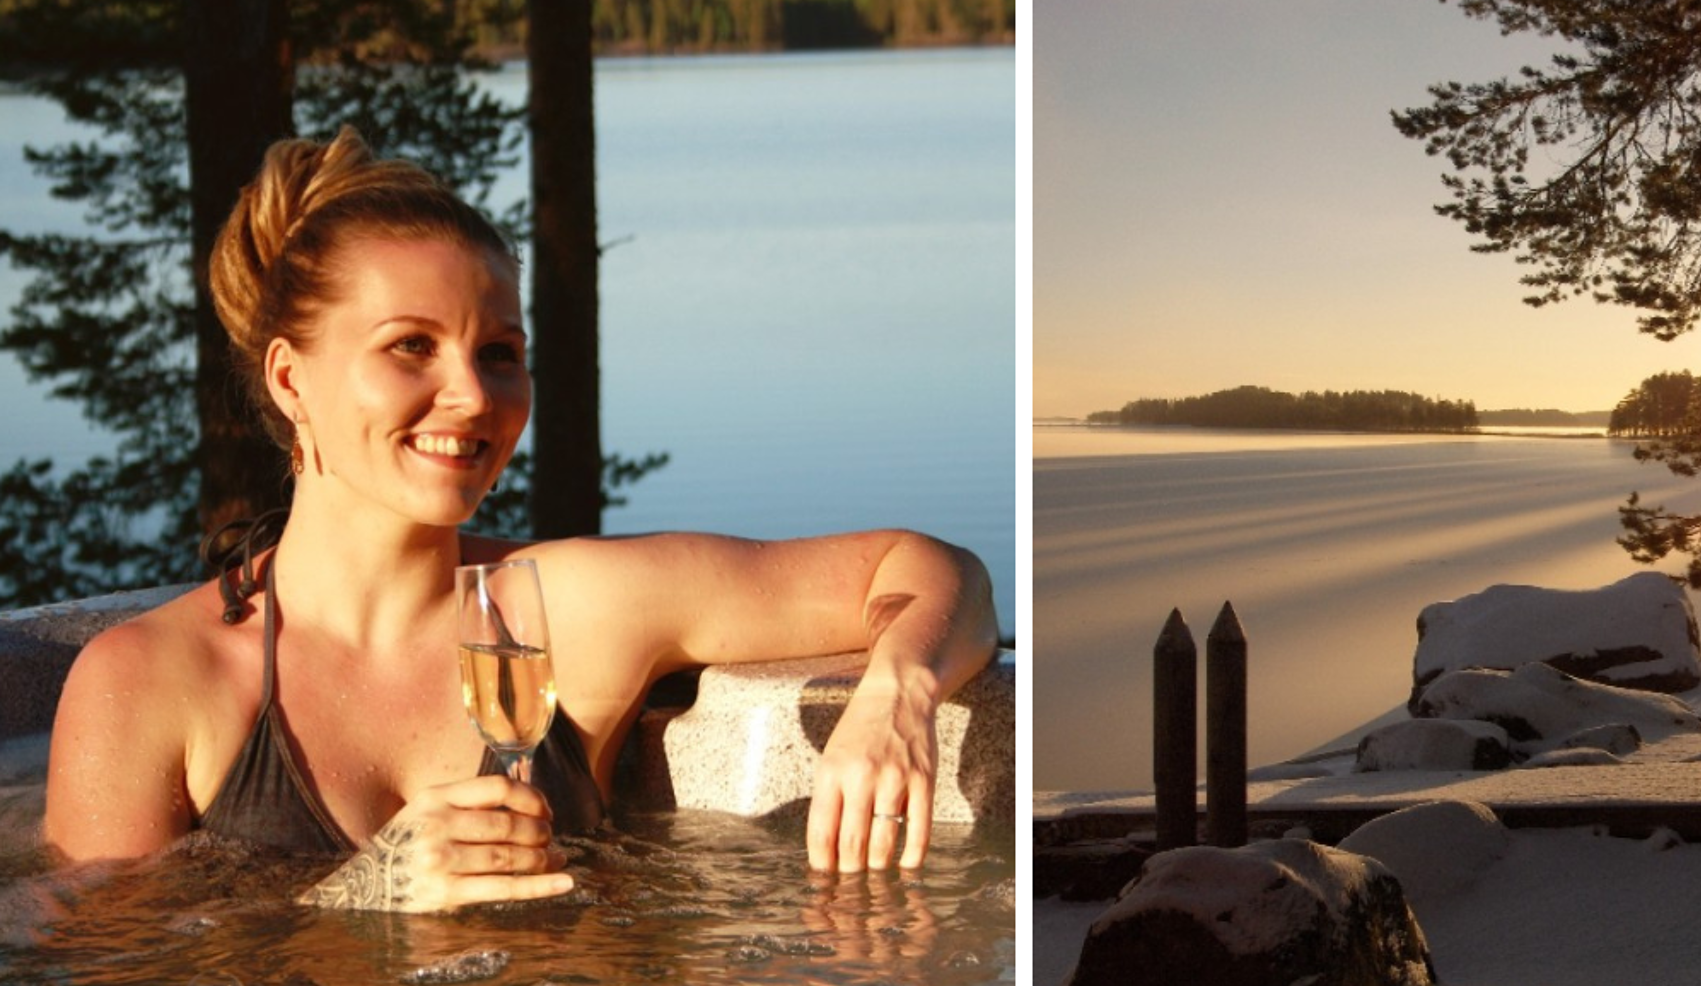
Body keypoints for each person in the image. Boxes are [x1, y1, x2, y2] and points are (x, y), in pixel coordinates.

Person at [40, 127, 999, 913]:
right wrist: (365, 901)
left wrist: (898, 695)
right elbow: (101, 956)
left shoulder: (574, 610)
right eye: (411, 346)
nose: (471, 395)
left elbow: (923, 566)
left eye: (500, 353)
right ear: (292, 379)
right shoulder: (154, 682)